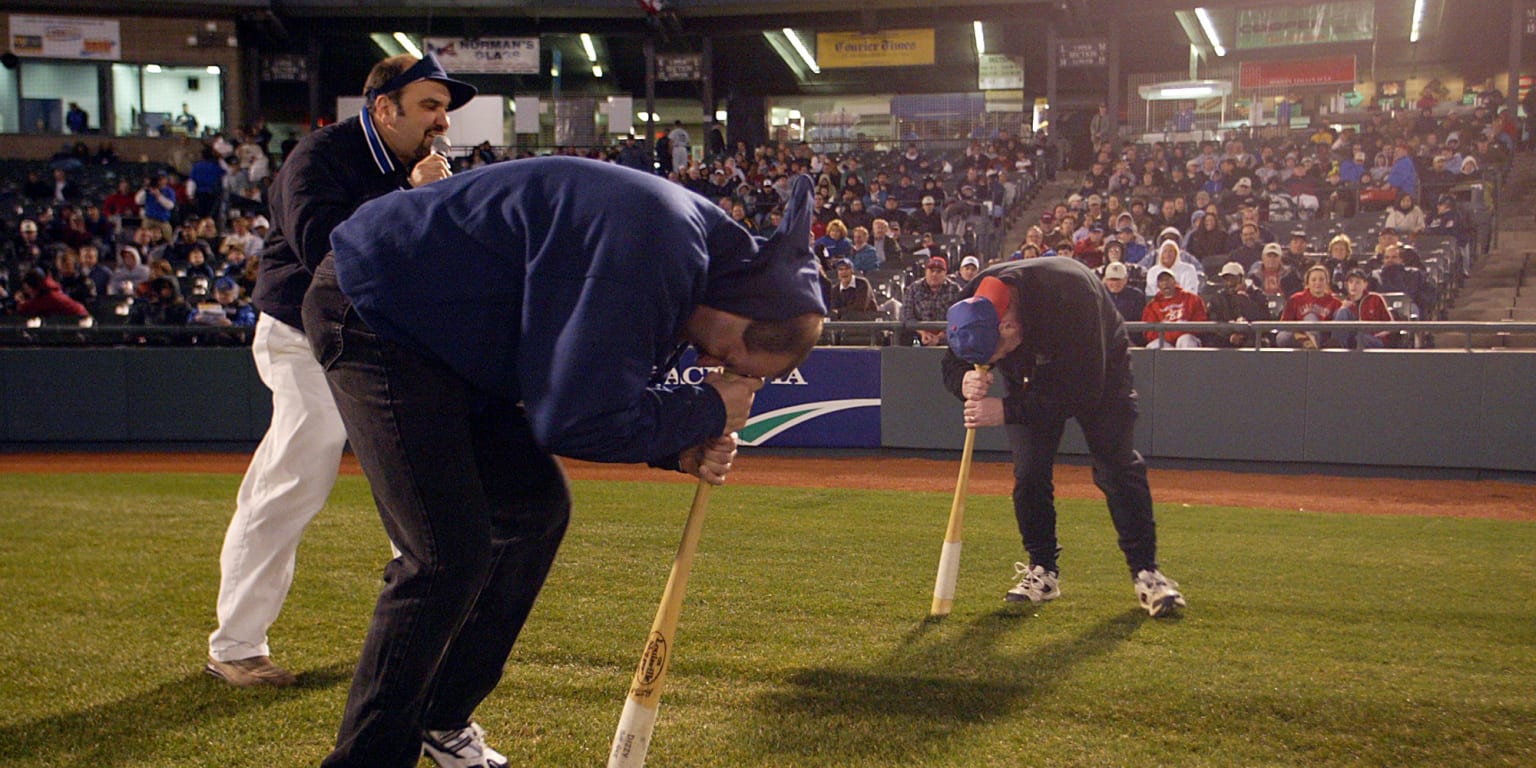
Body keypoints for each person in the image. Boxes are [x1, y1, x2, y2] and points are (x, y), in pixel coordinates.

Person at [302, 157, 824, 768]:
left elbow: (588, 383)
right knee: (444, 554)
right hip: (378, 310)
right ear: (743, 313)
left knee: (534, 510)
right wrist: (705, 409)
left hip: (451, 342)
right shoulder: (662, 248)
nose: (717, 366)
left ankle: (439, 719)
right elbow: (572, 416)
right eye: (730, 357)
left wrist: (680, 444)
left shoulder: (692, 254)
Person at [205, 52, 477, 697]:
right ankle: (237, 645)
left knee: (416, 483)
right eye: (429, 106)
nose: (441, 121)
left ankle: (417, 641)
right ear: (384, 108)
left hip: (380, 339)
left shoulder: (424, 170)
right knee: (300, 465)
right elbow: (322, 242)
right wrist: (409, 193)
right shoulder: (321, 156)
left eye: (444, 108)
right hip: (301, 333)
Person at [941, 260, 1185, 617]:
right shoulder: (975, 301)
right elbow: (952, 362)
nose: (989, 364)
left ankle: (1147, 573)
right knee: (1029, 474)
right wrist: (962, 380)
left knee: (1115, 467)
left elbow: (1082, 393)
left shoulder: (1070, 298)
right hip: (1030, 370)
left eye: (993, 355)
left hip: (1098, 365)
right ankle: (1042, 569)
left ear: (1008, 325)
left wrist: (1006, 411)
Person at [901, 255, 963, 346]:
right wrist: (923, 333)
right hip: (918, 336)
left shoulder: (955, 289)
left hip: (948, 337)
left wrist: (940, 337)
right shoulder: (913, 289)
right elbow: (906, 315)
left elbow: (959, 317)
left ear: (945, 273)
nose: (934, 274)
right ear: (926, 272)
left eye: (939, 271)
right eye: (932, 271)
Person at [1278, 264, 1342, 349]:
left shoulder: (1335, 302)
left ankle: (1312, 343)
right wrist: (1299, 334)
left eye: (1321, 280)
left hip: (1322, 338)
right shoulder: (1295, 299)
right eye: (1314, 280)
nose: (1317, 283)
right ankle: (1307, 342)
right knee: (1281, 337)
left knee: (1310, 316)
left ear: (1327, 282)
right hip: (1298, 336)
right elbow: (1285, 324)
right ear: (1307, 283)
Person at [1205, 262, 1268, 347]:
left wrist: (1244, 300)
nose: (1229, 283)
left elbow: (1264, 319)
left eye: (1232, 279)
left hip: (1252, 337)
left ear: (1242, 278)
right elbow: (1214, 320)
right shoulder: (1218, 297)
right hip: (1226, 337)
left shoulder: (1257, 295)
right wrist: (1230, 335)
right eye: (1226, 279)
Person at [1141, 270, 1208, 349]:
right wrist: (1171, 335)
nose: (1165, 283)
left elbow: (1200, 322)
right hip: (1164, 340)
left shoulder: (1192, 299)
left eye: (1168, 279)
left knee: (1186, 340)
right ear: (1158, 285)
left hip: (1187, 338)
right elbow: (1149, 332)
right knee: (1154, 346)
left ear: (1175, 282)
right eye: (1161, 281)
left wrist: (1178, 332)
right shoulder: (1152, 306)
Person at [1331, 268, 1394, 350]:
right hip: (1352, 338)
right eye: (1351, 282)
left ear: (1365, 284)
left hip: (1373, 338)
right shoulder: (1344, 304)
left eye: (1358, 282)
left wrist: (1379, 334)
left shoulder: (1375, 298)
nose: (1354, 285)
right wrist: (1343, 307)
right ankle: (1337, 350)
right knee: (1343, 311)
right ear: (1347, 285)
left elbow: (1390, 325)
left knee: (1360, 338)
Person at [14, 268, 88, 319]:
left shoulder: (48, 296)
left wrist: (19, 301)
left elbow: (27, 308)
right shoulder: (49, 290)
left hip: (78, 319)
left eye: (27, 288)